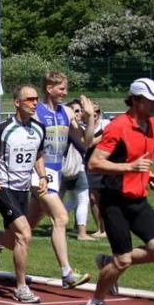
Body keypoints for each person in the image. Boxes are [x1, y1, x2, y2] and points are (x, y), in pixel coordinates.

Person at [83, 78, 154, 305]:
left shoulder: (152, 124)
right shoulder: (118, 127)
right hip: (114, 201)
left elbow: (140, 158)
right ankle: (95, 303)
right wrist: (130, 168)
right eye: (152, 100)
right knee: (123, 260)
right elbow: (94, 164)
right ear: (136, 100)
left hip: (138, 199)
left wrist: (148, 174)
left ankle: (108, 263)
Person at [0, 84, 48, 303]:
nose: (35, 103)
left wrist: (42, 176)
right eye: (30, 99)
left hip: (23, 189)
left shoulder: (39, 129)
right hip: (3, 187)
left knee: (11, 241)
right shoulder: (2, 129)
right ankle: (21, 287)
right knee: (24, 234)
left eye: (36, 99)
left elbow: (38, 155)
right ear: (17, 103)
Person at [27, 71, 92, 289]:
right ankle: (67, 273)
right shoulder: (36, 112)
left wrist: (90, 119)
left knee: (24, 229)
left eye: (66, 88)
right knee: (61, 218)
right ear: (49, 88)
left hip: (57, 173)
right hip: (39, 172)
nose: (65, 92)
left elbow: (84, 143)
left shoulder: (66, 112)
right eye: (61, 88)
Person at [60, 99, 93, 240]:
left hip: (70, 168)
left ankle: (58, 220)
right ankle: (82, 232)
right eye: (76, 111)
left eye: (81, 110)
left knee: (73, 200)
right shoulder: (71, 129)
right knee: (83, 199)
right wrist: (90, 120)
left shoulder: (74, 128)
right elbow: (85, 146)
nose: (79, 113)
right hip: (75, 168)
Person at [86, 101, 109, 237]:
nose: (95, 114)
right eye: (92, 112)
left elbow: (89, 142)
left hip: (103, 164)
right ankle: (100, 228)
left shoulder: (105, 124)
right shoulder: (84, 126)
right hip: (89, 165)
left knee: (104, 197)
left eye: (97, 112)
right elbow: (88, 144)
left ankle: (107, 228)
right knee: (93, 198)